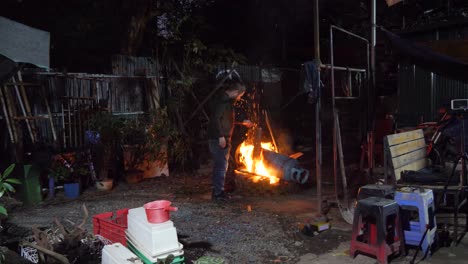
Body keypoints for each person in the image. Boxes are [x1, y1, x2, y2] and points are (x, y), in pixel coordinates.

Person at [208, 78, 253, 201]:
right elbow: (215, 119)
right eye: (240, 95)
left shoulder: (226, 101)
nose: (239, 98)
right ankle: (218, 194)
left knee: (222, 165)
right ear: (235, 92)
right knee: (221, 166)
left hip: (223, 138)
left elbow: (226, 119)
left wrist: (243, 122)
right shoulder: (222, 102)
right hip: (219, 139)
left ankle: (218, 190)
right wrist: (221, 136)